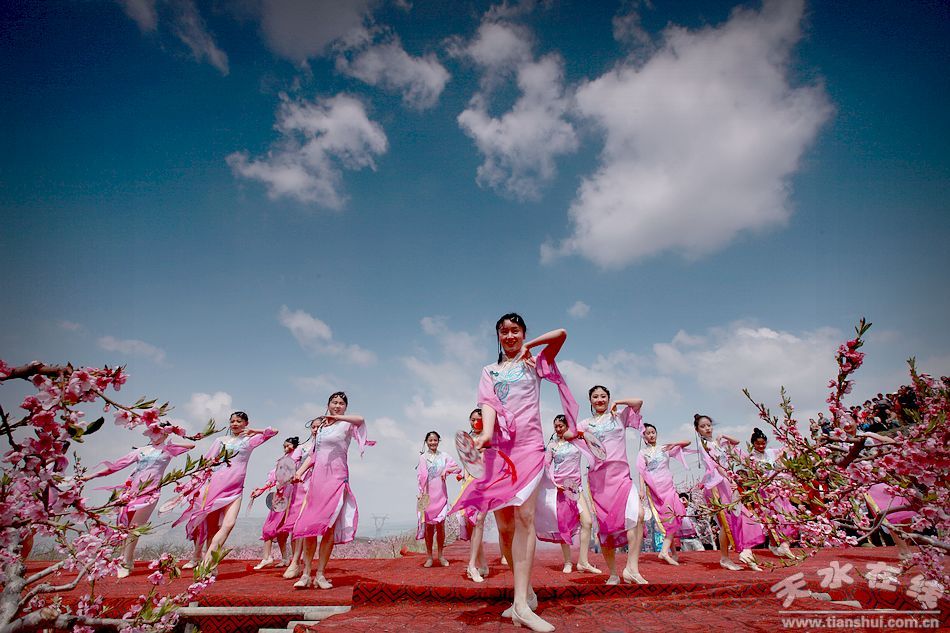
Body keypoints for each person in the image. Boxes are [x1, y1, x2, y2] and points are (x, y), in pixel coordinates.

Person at [450, 313, 571, 632]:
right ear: (497, 337)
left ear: (523, 333)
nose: (510, 335)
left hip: (529, 446)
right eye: (504, 331)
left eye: (515, 330)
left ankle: (519, 606)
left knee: (524, 518)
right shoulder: (488, 371)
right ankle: (527, 593)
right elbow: (488, 404)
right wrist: (486, 434)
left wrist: (529, 348)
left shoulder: (534, 362)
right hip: (500, 451)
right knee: (504, 527)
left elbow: (561, 333)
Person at [86, 422, 196, 578]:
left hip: (150, 493)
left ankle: (125, 563)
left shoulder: (168, 450)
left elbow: (191, 445)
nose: (154, 435)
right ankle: (126, 560)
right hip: (131, 492)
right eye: (152, 432)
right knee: (124, 527)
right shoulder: (140, 451)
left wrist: (170, 433)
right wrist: (90, 476)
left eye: (158, 432)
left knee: (135, 527)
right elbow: (116, 466)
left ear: (165, 434)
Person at [291, 391, 373, 590]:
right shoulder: (320, 429)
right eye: (334, 402)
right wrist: (299, 472)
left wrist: (337, 417)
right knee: (310, 529)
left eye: (341, 403)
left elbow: (361, 420)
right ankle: (306, 574)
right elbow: (313, 455)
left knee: (328, 529)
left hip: (336, 479)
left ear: (345, 407)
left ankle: (320, 574)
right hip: (317, 482)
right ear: (327, 404)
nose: (337, 405)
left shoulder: (345, 424)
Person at [175, 412, 276, 569]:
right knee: (211, 525)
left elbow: (273, 432)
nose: (235, 424)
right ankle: (207, 564)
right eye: (232, 421)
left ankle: (207, 561)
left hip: (235, 489)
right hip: (215, 486)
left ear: (246, 423)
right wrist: (193, 484)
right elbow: (207, 462)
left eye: (239, 421)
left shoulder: (250, 441)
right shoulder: (220, 441)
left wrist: (254, 431)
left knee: (228, 524)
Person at [579, 386, 648, 585]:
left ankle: (632, 568)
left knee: (638, 516)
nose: (599, 399)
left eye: (603, 396)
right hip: (599, 481)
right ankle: (613, 573)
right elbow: (570, 435)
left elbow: (639, 401)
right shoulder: (585, 424)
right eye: (595, 396)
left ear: (608, 399)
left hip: (622, 478)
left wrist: (620, 402)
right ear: (590, 400)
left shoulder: (618, 416)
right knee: (606, 528)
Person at [693, 414, 764, 571]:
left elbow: (736, 442)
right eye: (703, 426)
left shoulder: (717, 442)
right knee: (728, 521)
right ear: (697, 429)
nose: (707, 428)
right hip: (716, 486)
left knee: (740, 516)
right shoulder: (703, 445)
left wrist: (723, 436)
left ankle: (737, 554)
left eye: (709, 425)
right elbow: (716, 465)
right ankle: (737, 554)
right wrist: (730, 478)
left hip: (726, 482)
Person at [541, 414, 600, 574]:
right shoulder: (552, 446)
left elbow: (595, 448)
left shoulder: (578, 443)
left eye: (562, 426)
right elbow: (546, 466)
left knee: (587, 523)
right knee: (564, 527)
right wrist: (554, 484)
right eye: (556, 427)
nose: (559, 429)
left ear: (568, 427)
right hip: (560, 489)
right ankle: (567, 562)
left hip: (576, 489)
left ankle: (583, 562)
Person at [637, 423, 689, 566]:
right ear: (644, 436)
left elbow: (687, 443)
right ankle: (670, 552)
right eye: (648, 433)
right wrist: (641, 489)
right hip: (655, 490)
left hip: (669, 487)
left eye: (653, 432)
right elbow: (641, 472)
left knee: (677, 514)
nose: (651, 435)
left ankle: (668, 552)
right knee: (668, 521)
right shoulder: (642, 453)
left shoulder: (664, 449)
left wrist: (675, 444)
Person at [251, 436, 300, 570]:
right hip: (280, 494)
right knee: (280, 531)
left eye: (288, 446)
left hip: (288, 495)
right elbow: (272, 479)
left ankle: (267, 557)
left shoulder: (297, 456)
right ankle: (285, 558)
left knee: (269, 527)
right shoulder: (283, 460)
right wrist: (261, 490)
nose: (286, 448)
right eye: (284, 446)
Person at [748, 428, 797, 559]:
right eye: (758, 443)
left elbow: (787, 449)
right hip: (764, 491)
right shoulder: (752, 457)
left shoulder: (771, 452)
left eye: (763, 443)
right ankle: (775, 543)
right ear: (753, 443)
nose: (761, 446)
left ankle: (784, 544)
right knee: (770, 518)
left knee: (786, 515)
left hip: (777, 488)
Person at [416, 431, 462, 567]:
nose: (433, 443)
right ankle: (429, 557)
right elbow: (421, 477)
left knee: (441, 526)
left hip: (441, 494)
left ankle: (441, 555)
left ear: (438, 441)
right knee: (429, 527)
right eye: (430, 440)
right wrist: (421, 494)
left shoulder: (444, 456)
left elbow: (457, 467)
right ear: (426, 442)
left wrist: (445, 471)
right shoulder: (423, 458)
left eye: (435, 440)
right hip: (426, 495)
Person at [281, 419, 319, 579]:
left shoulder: (327, 446)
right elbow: (289, 464)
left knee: (306, 526)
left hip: (317, 485)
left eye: (319, 427)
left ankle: (297, 562)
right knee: (295, 527)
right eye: (314, 426)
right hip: (300, 487)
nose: (316, 429)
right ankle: (296, 562)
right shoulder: (303, 447)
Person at [456, 408, 491, 583]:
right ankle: (481, 564)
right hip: (469, 484)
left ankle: (472, 565)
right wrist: (462, 476)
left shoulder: (489, 437)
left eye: (479, 419)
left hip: (486, 484)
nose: (475, 422)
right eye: (472, 419)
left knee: (479, 521)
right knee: (474, 523)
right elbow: (466, 463)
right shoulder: (467, 439)